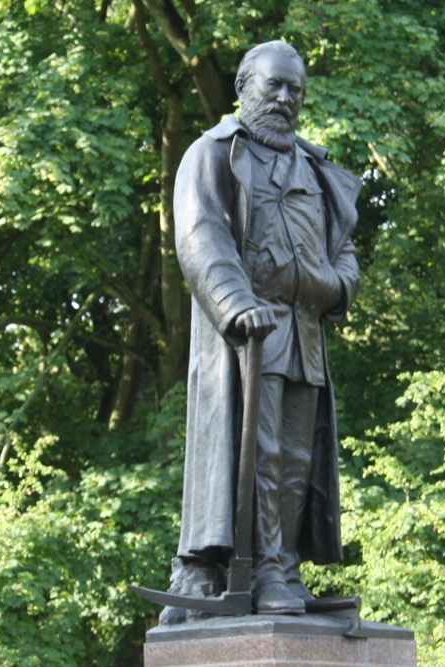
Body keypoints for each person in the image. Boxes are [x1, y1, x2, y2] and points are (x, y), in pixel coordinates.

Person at [163, 40, 361, 621]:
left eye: (294, 89)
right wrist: (234, 303)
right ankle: (264, 568)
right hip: (251, 336)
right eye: (273, 85)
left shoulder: (317, 170)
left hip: (304, 333)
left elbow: (343, 248)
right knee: (263, 451)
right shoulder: (214, 154)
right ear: (243, 88)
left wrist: (337, 287)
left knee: (298, 457)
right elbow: (200, 235)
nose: (284, 98)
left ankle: (286, 566)